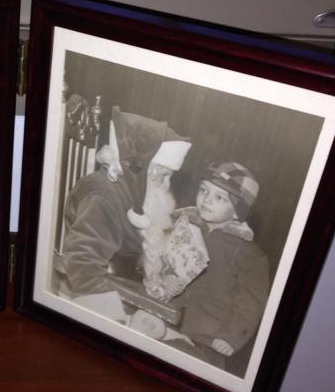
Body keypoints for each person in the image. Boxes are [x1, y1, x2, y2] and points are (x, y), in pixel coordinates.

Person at [132, 161, 271, 370]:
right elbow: (155, 254)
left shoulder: (248, 253)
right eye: (204, 190)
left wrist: (231, 336)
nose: (207, 200)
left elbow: (250, 302)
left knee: (186, 364)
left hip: (206, 336)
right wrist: (158, 274)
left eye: (219, 197)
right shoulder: (182, 223)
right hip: (164, 314)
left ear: (237, 212)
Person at [56, 106, 190, 310]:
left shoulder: (132, 193)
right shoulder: (102, 196)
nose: (166, 186)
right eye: (163, 176)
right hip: (109, 299)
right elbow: (83, 265)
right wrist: (115, 318)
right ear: (138, 170)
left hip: (131, 291)